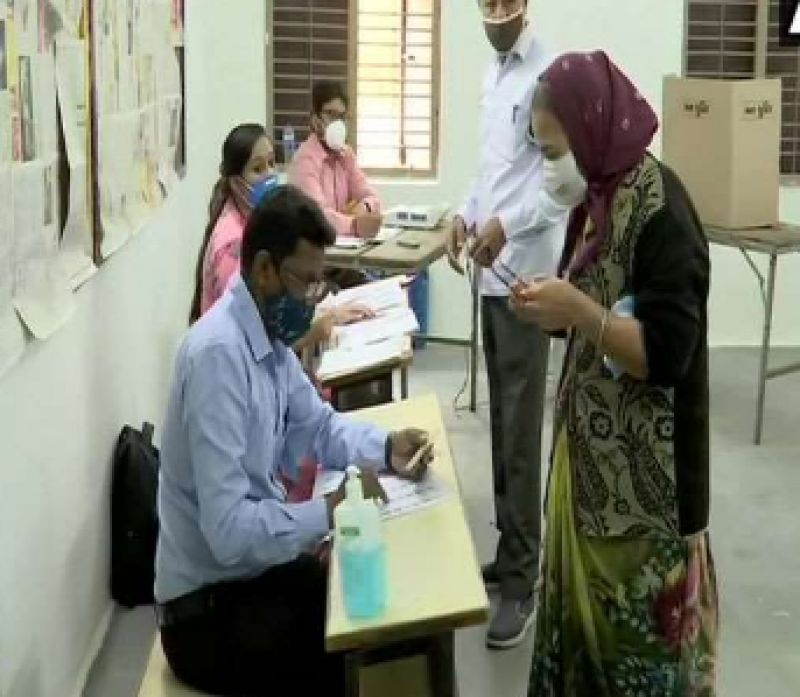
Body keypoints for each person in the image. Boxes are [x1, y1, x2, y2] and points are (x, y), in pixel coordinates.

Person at [156, 185, 434, 697]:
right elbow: (229, 532)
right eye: (306, 283)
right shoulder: (217, 357)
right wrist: (330, 511)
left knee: (369, 603)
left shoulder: (267, 338)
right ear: (264, 270)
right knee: (342, 645)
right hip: (205, 614)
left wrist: (387, 445)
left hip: (246, 578)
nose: (313, 300)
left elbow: (319, 427)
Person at [510, 51, 718, 694]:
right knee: (584, 646)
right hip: (590, 466)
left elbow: (665, 355)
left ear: (593, 129)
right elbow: (592, 304)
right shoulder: (596, 202)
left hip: (646, 493)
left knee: (638, 656)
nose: (549, 169)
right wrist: (556, 311)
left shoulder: (663, 213)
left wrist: (576, 308)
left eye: (552, 152)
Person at [445, 0, 569, 649]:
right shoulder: (494, 75)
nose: (494, 13)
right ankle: (510, 548)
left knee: (520, 430)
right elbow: (491, 172)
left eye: (505, 2)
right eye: (484, 3)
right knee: (499, 422)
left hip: (525, 277)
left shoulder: (550, 72)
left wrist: (504, 225)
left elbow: (562, 182)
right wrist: (466, 215)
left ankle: (523, 578)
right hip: (489, 271)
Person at [189, 123, 372, 348]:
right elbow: (251, 336)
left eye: (271, 163)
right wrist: (320, 326)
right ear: (236, 181)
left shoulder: (252, 219)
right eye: (257, 169)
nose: (269, 175)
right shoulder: (231, 246)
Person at [290, 80, 382, 240]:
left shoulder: (346, 155)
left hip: (343, 248)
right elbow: (317, 216)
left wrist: (364, 206)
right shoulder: (305, 159)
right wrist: (354, 225)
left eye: (341, 116)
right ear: (315, 118)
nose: (337, 123)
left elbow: (372, 196)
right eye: (330, 114)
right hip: (315, 248)